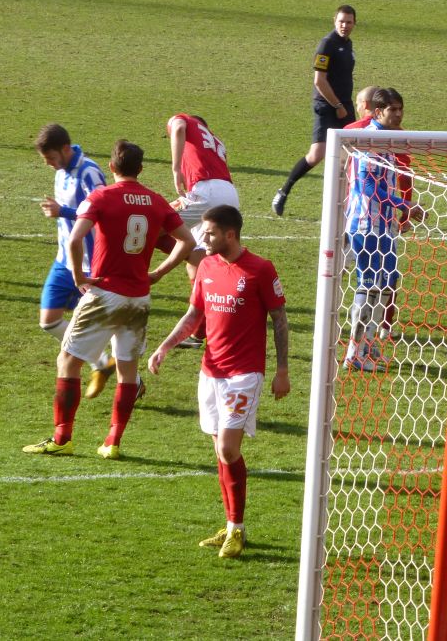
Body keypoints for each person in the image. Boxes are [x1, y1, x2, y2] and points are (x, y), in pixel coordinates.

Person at [23, 139, 196, 459]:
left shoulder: (101, 196)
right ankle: (113, 442)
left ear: (112, 167)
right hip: (139, 299)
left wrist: (77, 277)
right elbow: (186, 241)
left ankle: (62, 438)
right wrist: (157, 273)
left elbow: (76, 239)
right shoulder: (157, 202)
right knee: (128, 371)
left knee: (68, 360)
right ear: (141, 169)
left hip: (104, 294)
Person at [148, 205, 289, 559]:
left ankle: (237, 529)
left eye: (209, 233)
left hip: (244, 374)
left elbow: (280, 320)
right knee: (219, 451)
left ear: (230, 234)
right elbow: (196, 313)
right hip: (210, 371)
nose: (203, 238)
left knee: (228, 449)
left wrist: (282, 370)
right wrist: (166, 345)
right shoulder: (207, 266)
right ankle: (230, 526)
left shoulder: (260, 269)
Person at [34, 124, 120, 400]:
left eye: (51, 158)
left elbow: (104, 210)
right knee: (48, 321)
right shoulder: (61, 173)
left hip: (90, 265)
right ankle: (103, 363)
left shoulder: (89, 172)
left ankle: (132, 379)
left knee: (98, 328)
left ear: (65, 149)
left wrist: (64, 211)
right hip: (64, 261)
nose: (48, 164)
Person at [342, 88, 424, 371]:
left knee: (387, 284)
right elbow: (366, 186)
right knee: (369, 286)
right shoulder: (370, 141)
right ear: (377, 113)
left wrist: (403, 208)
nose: (399, 114)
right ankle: (355, 353)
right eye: (393, 110)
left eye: (401, 109)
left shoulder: (388, 140)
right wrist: (404, 204)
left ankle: (367, 344)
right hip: (367, 225)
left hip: (384, 226)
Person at [272, 5, 358, 217]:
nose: (345, 25)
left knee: (351, 157)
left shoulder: (348, 45)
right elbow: (319, 81)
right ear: (334, 21)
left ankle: (346, 207)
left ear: (355, 23)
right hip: (327, 106)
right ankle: (284, 191)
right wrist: (337, 106)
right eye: (341, 21)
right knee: (317, 154)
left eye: (349, 22)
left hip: (345, 105)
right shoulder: (327, 44)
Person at [165, 112, 239, 346]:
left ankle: (134, 282)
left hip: (206, 191)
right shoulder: (215, 141)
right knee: (198, 257)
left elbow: (177, 127)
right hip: (228, 193)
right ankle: (200, 331)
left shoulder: (185, 120)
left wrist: (176, 169)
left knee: (156, 224)